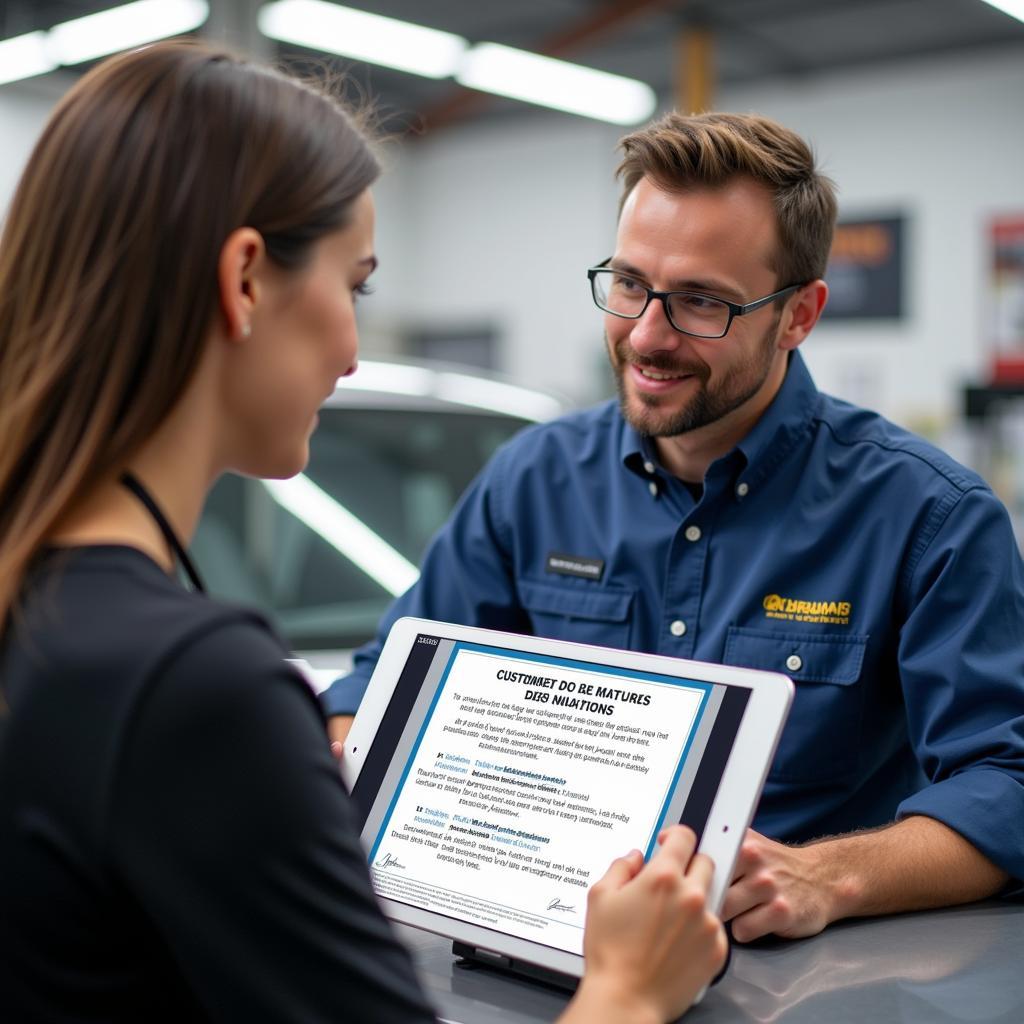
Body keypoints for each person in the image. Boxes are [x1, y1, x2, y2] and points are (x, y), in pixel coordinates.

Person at [0, 42, 727, 1023]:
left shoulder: (45, 614)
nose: (350, 347)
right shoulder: (193, 689)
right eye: (357, 285)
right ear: (246, 279)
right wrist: (629, 988)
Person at [324, 110, 1024, 943]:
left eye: (701, 302)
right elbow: (378, 693)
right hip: (530, 951)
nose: (646, 336)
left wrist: (829, 877)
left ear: (798, 315)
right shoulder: (533, 481)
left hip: (796, 982)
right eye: (629, 284)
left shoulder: (927, 517)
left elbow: (1007, 782)